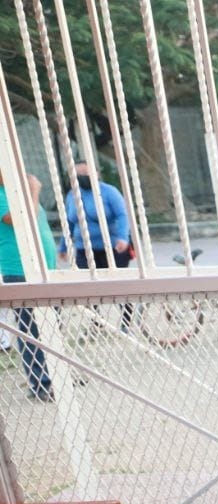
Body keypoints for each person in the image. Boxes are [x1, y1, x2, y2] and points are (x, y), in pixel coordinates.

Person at [0, 170, 57, 401]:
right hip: (20, 270)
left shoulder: (18, 191)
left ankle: (56, 373)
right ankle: (40, 383)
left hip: (44, 267)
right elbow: (24, 221)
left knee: (52, 324)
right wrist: (33, 191)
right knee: (30, 329)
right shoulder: (4, 194)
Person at [60, 161, 134, 330]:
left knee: (118, 286)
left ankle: (126, 322)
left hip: (113, 248)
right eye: (77, 174)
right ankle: (96, 322)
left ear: (95, 174)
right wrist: (64, 246)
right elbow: (69, 224)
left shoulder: (109, 192)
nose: (81, 178)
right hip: (84, 248)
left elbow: (122, 216)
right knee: (87, 286)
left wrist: (123, 238)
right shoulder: (72, 196)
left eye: (85, 173)